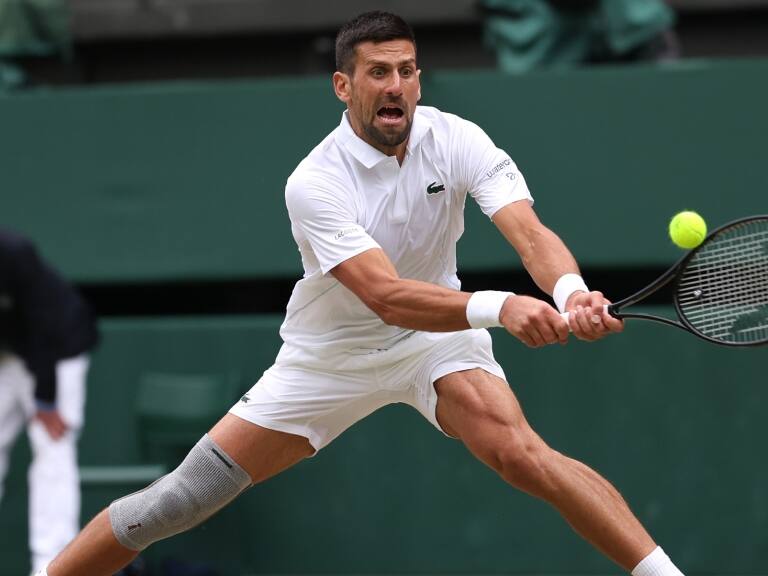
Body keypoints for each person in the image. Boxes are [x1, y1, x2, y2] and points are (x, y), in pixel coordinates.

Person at [42, 11, 686, 576]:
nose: (397, 87)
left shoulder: (456, 138)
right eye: (378, 73)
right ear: (343, 86)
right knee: (182, 497)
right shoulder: (314, 183)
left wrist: (571, 291)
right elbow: (384, 295)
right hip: (329, 355)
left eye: (407, 71)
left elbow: (530, 232)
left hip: (434, 342)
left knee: (521, 454)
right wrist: (501, 307)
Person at [0, 229, 98, 574]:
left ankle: (52, 567)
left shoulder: (13, 251)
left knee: (52, 448)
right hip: (8, 356)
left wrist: (45, 399)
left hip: (58, 353)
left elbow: (44, 327)